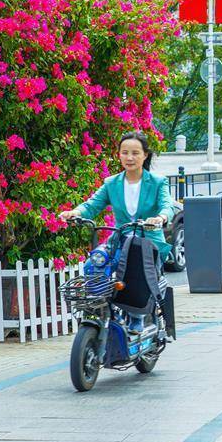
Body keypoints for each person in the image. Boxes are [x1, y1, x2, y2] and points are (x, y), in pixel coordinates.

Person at [60, 131, 176, 332]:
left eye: (135, 153)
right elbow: (92, 205)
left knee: (134, 269)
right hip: (120, 239)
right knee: (94, 262)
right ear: (119, 155)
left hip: (147, 241)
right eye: (124, 153)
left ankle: (136, 316)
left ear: (145, 155)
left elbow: (167, 205)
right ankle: (98, 309)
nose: (129, 158)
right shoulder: (111, 183)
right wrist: (75, 212)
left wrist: (160, 218)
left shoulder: (157, 182)